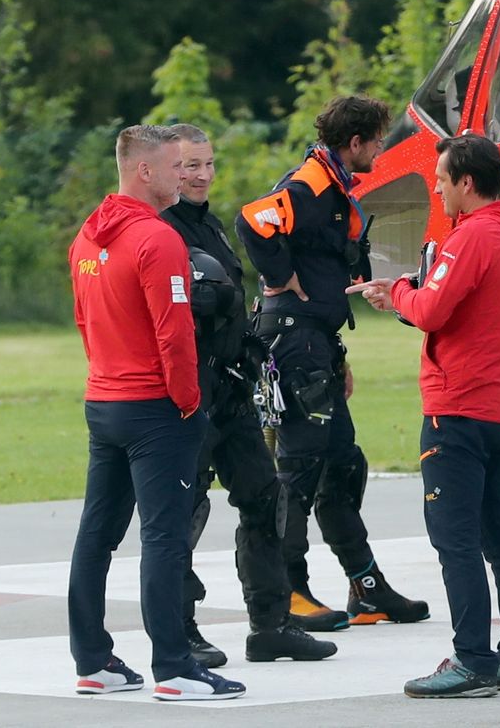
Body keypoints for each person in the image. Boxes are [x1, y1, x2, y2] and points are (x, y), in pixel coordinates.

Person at [351, 134, 500, 700]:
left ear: (466, 182)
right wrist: (413, 293)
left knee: (455, 539)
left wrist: (403, 294)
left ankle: (472, 660)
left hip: (457, 406)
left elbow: (433, 308)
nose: (434, 185)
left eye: (441, 177)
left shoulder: (472, 236)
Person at [235, 96, 428, 630]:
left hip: (315, 342)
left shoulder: (334, 181)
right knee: (297, 471)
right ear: (357, 142)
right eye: (378, 140)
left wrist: (333, 349)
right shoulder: (311, 183)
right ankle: (287, 590)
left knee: (342, 464)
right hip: (294, 342)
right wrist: (277, 279)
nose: (381, 150)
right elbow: (253, 220)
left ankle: (367, 589)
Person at [68, 124, 245, 701]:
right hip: (155, 409)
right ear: (145, 171)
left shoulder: (86, 239)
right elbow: (175, 334)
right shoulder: (157, 238)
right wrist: (189, 404)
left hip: (105, 401)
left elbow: (84, 322)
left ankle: (93, 660)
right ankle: (174, 667)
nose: (183, 177)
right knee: (165, 538)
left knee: (97, 534)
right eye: (174, 168)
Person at [160, 123, 337, 665]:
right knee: (182, 512)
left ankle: (271, 624)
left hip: (231, 392)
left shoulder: (208, 227)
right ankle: (179, 629)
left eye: (207, 163)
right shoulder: (157, 231)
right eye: (189, 165)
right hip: (186, 396)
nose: (201, 174)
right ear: (166, 169)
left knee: (265, 494)